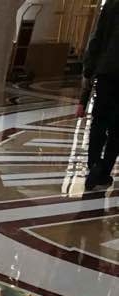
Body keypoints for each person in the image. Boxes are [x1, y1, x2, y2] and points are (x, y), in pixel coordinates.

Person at [82, 0, 119, 191]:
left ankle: (94, 164)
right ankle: (104, 171)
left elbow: (97, 39)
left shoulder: (112, 4)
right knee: (117, 128)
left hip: (106, 72)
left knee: (99, 121)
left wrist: (89, 70)